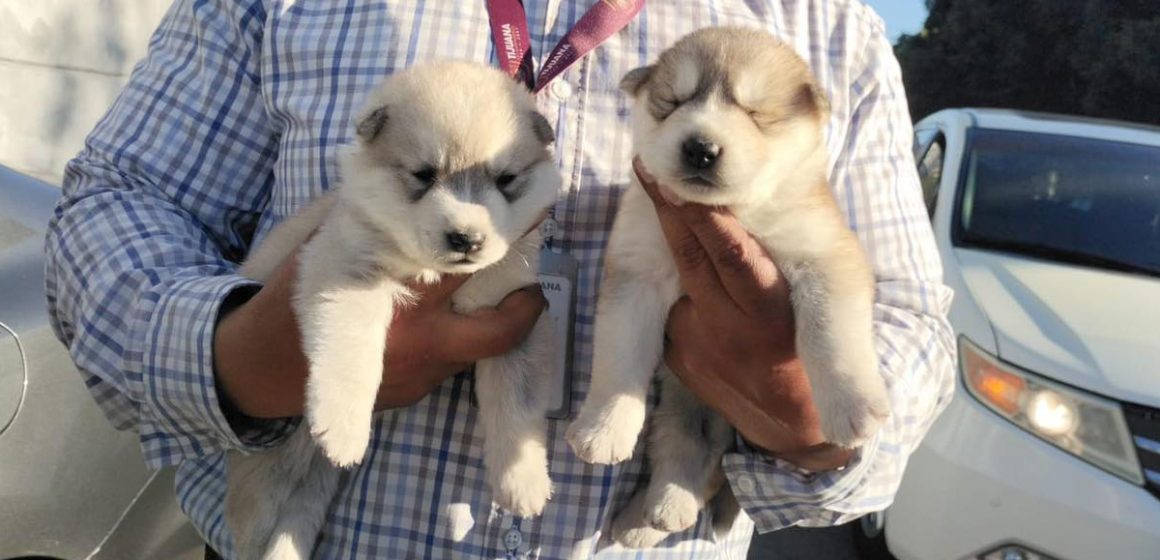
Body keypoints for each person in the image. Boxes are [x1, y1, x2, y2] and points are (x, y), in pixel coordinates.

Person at [43, 0, 955, 558]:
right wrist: (241, 358)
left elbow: (911, 326)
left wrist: (809, 416)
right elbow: (115, 203)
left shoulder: (826, 28)